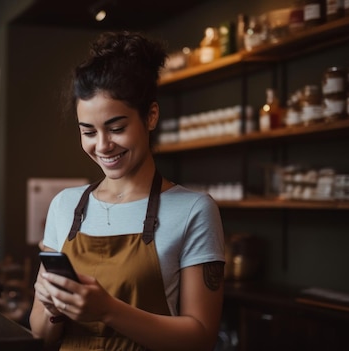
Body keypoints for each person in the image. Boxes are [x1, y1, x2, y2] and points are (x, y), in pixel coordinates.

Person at [29, 31, 225, 351]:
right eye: (89, 132)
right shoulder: (64, 206)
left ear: (151, 116)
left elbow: (200, 338)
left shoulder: (194, 210)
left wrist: (107, 310)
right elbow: (39, 334)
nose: (103, 145)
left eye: (117, 128)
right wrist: (52, 308)